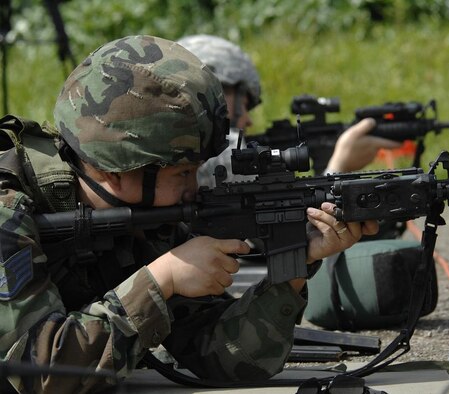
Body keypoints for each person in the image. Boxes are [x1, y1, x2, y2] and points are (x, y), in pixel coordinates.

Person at [0, 35, 377, 393]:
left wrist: (295, 268)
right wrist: (159, 281)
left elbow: (228, 358)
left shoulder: (142, 215)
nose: (194, 186)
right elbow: (40, 375)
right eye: (182, 172)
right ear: (117, 166)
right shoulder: (8, 206)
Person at [176, 34, 401, 188]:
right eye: (243, 105)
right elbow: (304, 241)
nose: (248, 119)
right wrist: (340, 164)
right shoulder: (221, 154)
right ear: (213, 94)